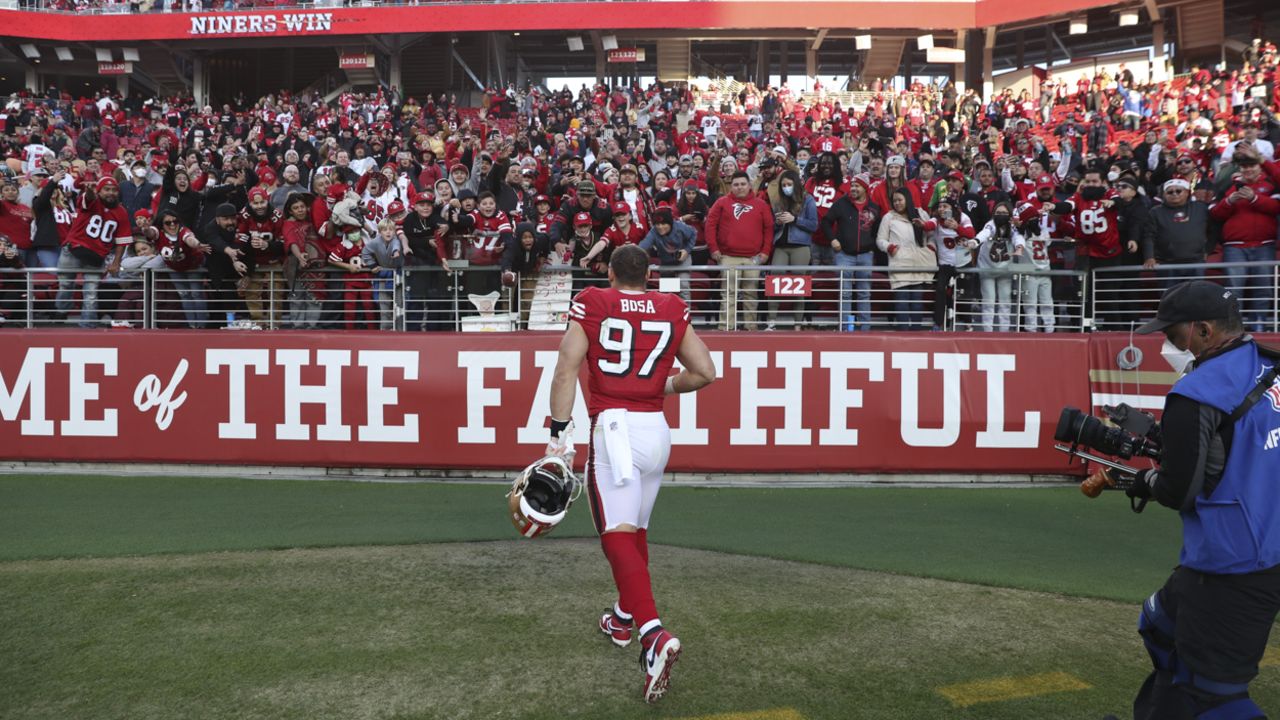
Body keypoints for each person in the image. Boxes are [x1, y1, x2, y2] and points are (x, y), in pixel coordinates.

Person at [1094, 281, 1280, 720]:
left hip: (1232, 562)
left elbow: (1178, 490)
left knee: (1212, 696)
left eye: (1172, 334)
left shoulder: (1194, 392)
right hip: (1262, 546)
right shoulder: (1268, 364)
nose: (1167, 344)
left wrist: (1143, 480)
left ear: (1203, 330)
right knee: (1160, 626)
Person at [547, 243, 716, 705]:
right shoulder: (669, 306)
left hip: (616, 429)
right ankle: (624, 616)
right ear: (650, 275)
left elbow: (567, 366)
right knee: (637, 528)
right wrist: (664, 384)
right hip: (656, 430)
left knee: (615, 534)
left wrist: (558, 433)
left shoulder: (596, 301)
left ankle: (653, 634)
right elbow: (705, 372)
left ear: (608, 271)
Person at [705, 171, 773, 330]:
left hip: (753, 258)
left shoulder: (761, 205)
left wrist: (765, 252)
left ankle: (751, 327)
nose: (739, 187)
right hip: (728, 257)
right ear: (731, 186)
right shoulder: (721, 203)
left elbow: (768, 229)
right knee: (729, 295)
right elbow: (710, 225)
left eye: (743, 184)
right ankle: (726, 328)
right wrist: (714, 248)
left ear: (749, 185)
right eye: (736, 184)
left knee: (751, 295)